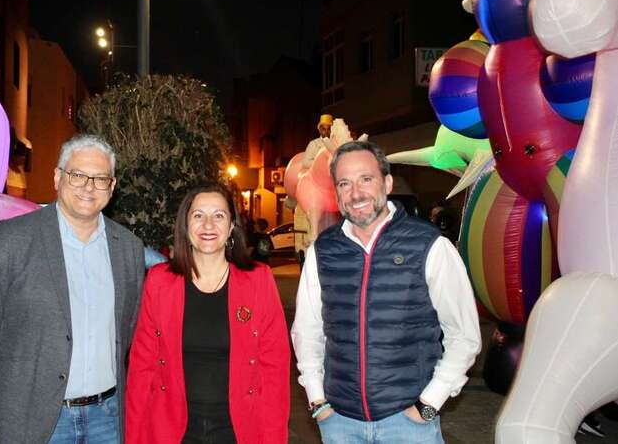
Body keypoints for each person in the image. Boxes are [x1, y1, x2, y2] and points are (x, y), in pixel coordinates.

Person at [291, 140, 481, 444]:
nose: (356, 193)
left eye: (366, 179)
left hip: (408, 426)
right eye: (344, 183)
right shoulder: (323, 251)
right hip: (340, 424)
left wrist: (429, 404)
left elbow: (464, 335)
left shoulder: (428, 245)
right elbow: (307, 331)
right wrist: (317, 400)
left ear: (388, 183)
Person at [0, 134, 146, 444]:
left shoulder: (128, 248)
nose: (89, 187)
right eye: (78, 175)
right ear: (58, 177)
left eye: (100, 179)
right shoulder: (11, 239)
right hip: (34, 418)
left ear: (112, 187)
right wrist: (15, 385)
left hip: (107, 417)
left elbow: (127, 328)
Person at [125, 184, 290, 443]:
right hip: (172, 429)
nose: (208, 224)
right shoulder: (159, 282)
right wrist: (134, 437)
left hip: (239, 429)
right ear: (185, 225)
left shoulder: (258, 280)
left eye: (219, 215)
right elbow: (141, 368)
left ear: (231, 226)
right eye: (198, 215)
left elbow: (275, 370)